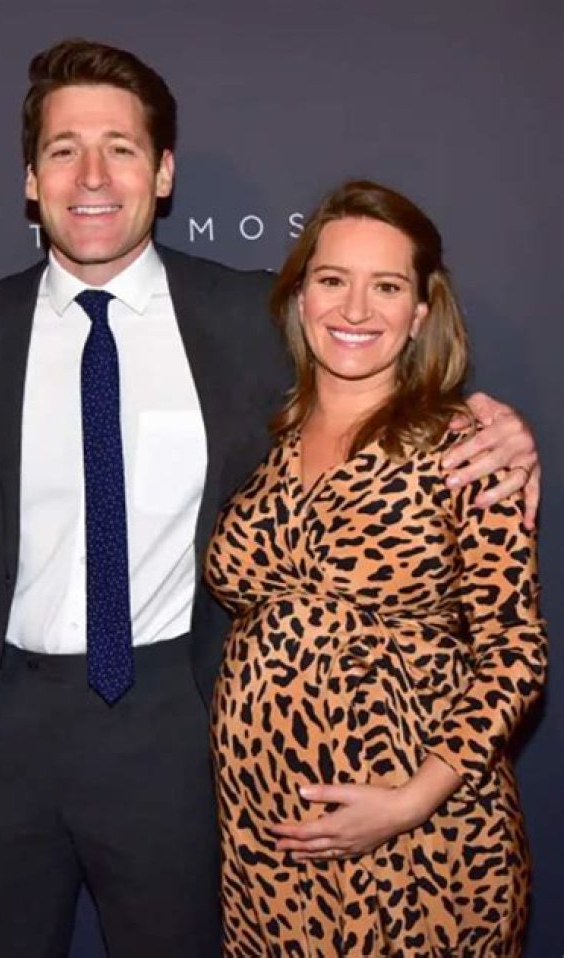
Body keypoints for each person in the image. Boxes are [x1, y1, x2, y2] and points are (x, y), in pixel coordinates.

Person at [0, 37, 538, 958]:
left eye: (121, 148)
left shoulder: (252, 317)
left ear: (163, 173)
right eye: (64, 150)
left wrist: (497, 424)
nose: (93, 176)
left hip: (173, 729)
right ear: (31, 180)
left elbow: (374, 351)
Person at [205, 179, 547, 957]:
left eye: (386, 286)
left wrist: (410, 801)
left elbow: (516, 653)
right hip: (269, 845)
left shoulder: (467, 448)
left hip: (423, 842)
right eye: (333, 280)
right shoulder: (266, 439)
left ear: (420, 311)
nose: (356, 310)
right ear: (301, 297)